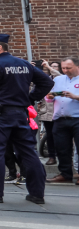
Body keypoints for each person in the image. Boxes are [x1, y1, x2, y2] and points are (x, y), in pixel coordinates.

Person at [0, 34, 53, 203]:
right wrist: (30, 99)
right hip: (20, 114)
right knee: (28, 153)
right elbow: (46, 82)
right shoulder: (24, 64)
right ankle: (37, 194)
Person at [48, 56, 79, 185]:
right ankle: (65, 174)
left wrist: (75, 97)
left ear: (77, 66)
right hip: (60, 118)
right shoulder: (58, 79)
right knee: (62, 148)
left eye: (68, 68)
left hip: (77, 118)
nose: (65, 70)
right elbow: (49, 97)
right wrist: (50, 97)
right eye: (63, 68)